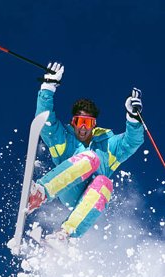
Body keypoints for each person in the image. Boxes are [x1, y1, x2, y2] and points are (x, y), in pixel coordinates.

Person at [27, 62, 144, 241]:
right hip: (67, 187)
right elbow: (45, 121)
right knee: (90, 158)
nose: (82, 128)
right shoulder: (64, 138)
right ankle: (39, 193)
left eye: (87, 123)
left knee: (105, 182)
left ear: (94, 125)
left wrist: (134, 118)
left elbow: (132, 142)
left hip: (89, 199)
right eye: (79, 122)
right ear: (73, 122)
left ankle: (65, 235)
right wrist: (48, 86)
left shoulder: (108, 145)